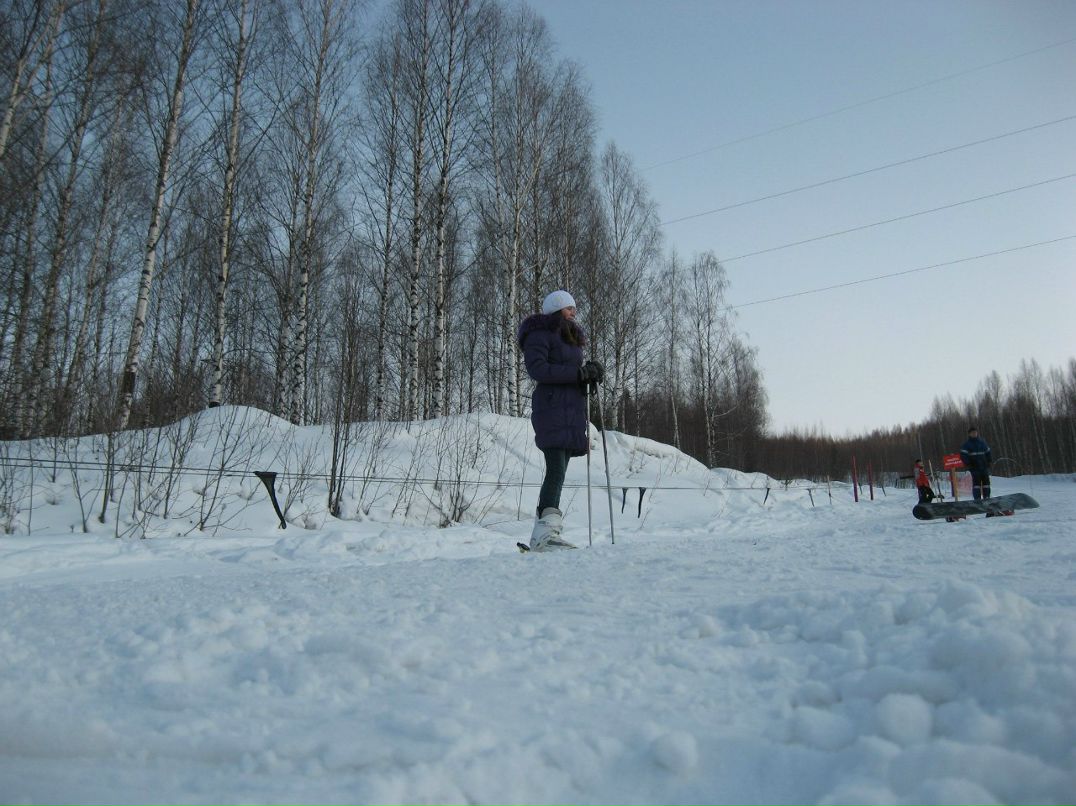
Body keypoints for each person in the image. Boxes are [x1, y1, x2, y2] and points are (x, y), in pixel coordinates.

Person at [517, 290, 604, 550]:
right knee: (555, 470)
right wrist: (577, 374)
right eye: (568, 308)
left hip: (570, 413)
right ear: (556, 309)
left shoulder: (569, 338)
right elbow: (538, 369)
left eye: (574, 309)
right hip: (552, 410)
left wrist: (589, 375)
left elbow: (573, 373)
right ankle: (545, 534)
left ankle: (543, 532)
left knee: (559, 472)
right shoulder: (540, 334)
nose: (573, 312)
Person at [959, 426, 992, 501]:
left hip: (984, 467)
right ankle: (977, 499)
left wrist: (989, 461)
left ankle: (987, 498)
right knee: (976, 485)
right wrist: (968, 464)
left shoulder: (982, 442)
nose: (974, 434)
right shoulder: (967, 445)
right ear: (969, 434)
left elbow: (988, 452)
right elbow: (963, 456)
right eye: (972, 433)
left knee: (986, 484)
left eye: (975, 432)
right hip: (974, 468)